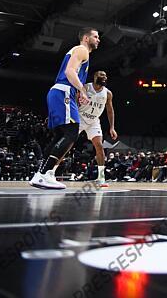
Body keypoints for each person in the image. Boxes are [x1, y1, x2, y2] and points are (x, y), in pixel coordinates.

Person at [30, 27, 100, 190]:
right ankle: (45, 173)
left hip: (61, 93)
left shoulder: (80, 52)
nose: (98, 39)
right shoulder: (82, 49)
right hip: (63, 91)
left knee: (60, 135)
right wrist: (82, 90)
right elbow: (69, 71)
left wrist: (79, 94)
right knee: (71, 132)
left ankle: (41, 174)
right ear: (85, 38)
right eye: (95, 37)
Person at [77, 70, 116, 188]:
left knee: (99, 145)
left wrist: (112, 127)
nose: (104, 77)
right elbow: (74, 101)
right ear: (95, 77)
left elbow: (110, 110)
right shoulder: (85, 87)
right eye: (101, 75)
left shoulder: (108, 93)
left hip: (94, 121)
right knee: (67, 143)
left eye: (105, 75)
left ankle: (101, 177)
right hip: (80, 118)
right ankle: (51, 170)